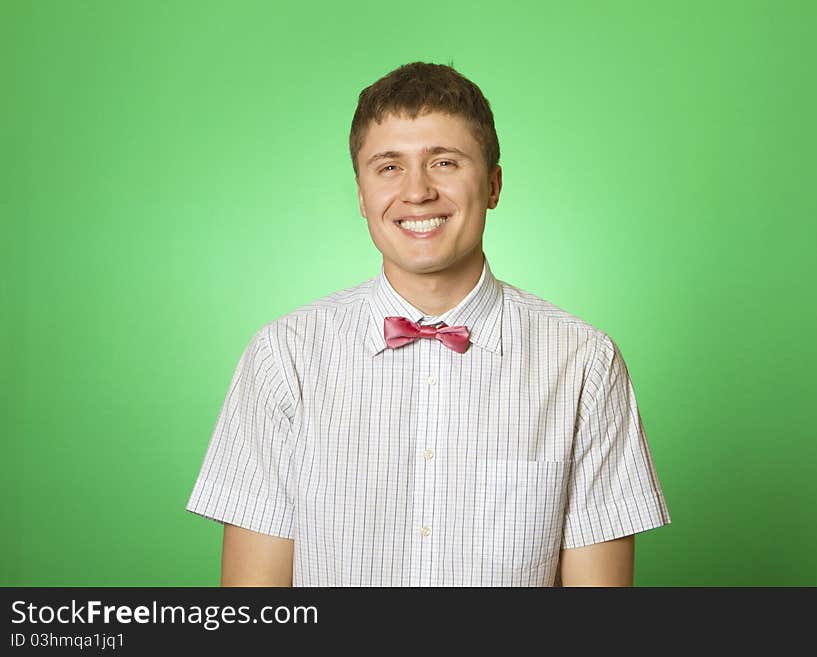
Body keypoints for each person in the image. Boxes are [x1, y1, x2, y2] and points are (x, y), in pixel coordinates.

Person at [186, 61, 671, 587]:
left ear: (493, 184)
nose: (417, 192)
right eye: (389, 167)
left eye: (444, 162)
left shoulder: (584, 363)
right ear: (361, 194)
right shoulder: (283, 357)